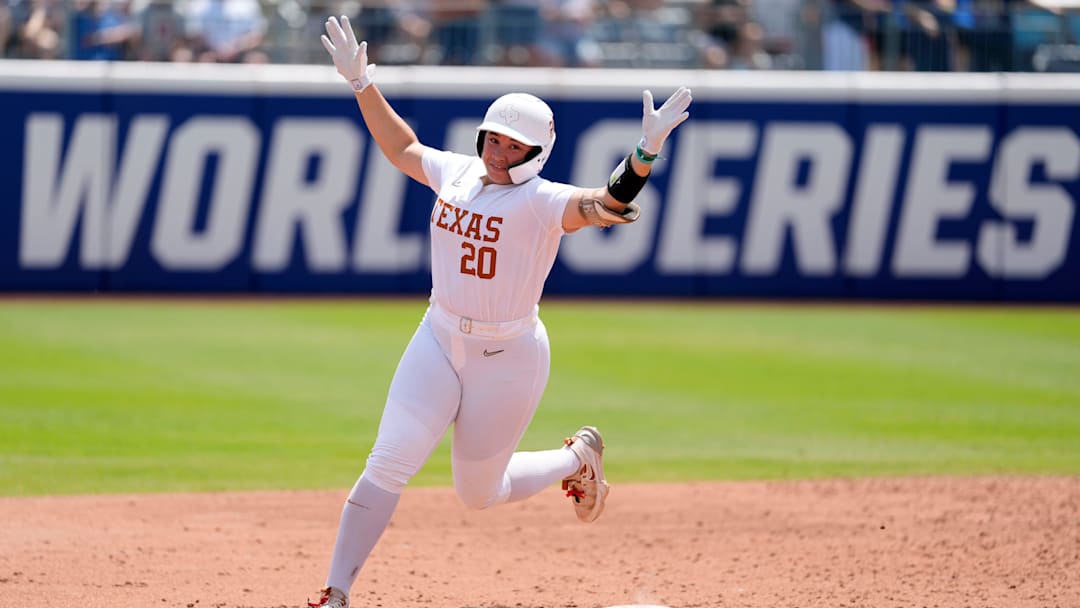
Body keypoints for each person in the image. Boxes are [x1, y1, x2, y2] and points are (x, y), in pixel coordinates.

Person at [307, 15, 692, 608]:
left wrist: (643, 153)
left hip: (507, 355)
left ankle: (577, 457)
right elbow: (403, 147)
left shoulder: (543, 201)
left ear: (538, 153)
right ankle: (335, 593)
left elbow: (607, 202)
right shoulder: (458, 173)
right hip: (436, 338)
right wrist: (362, 85)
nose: (497, 150)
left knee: (478, 495)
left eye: (514, 145)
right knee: (387, 462)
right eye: (492, 137)